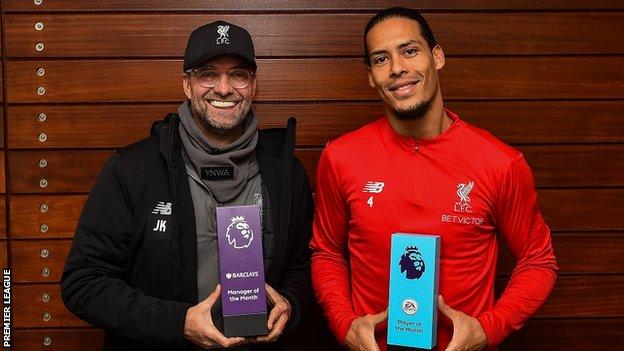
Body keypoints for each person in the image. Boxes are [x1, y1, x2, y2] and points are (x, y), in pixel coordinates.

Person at [310, 7, 558, 351]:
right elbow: (326, 252)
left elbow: (538, 261)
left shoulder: (501, 163)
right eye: (381, 59)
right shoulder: (340, 157)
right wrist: (345, 324)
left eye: (409, 51)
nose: (397, 68)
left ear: (437, 57)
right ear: (370, 75)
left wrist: (488, 330)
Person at [61, 20, 314, 351]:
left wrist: (290, 304)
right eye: (208, 74)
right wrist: (178, 323)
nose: (224, 89)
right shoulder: (133, 168)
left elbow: (304, 266)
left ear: (252, 86)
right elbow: (84, 284)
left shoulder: (284, 172)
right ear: (187, 85)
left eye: (238, 74)